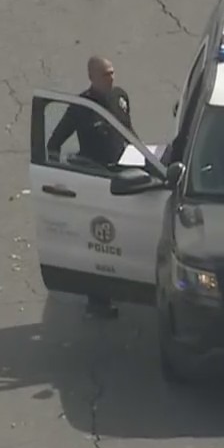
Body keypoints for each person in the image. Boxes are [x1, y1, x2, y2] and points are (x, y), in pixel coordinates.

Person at [47, 55, 136, 319]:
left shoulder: (120, 97)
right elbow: (54, 143)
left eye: (112, 72)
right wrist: (61, 177)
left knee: (129, 234)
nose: (112, 78)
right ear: (92, 78)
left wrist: (144, 158)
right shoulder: (80, 107)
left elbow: (129, 132)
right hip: (96, 183)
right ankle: (97, 301)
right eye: (105, 74)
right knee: (101, 242)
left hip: (124, 176)